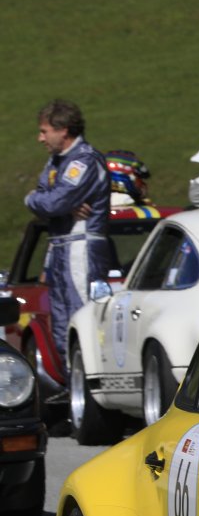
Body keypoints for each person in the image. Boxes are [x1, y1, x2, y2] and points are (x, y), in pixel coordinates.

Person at [25, 100, 110, 362]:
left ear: (63, 130)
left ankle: (88, 376)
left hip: (81, 246)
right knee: (60, 324)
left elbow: (54, 202)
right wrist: (38, 199)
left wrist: (48, 201)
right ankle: (71, 377)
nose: (40, 138)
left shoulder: (84, 159)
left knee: (80, 316)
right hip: (59, 247)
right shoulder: (55, 161)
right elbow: (43, 199)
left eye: (44, 131)